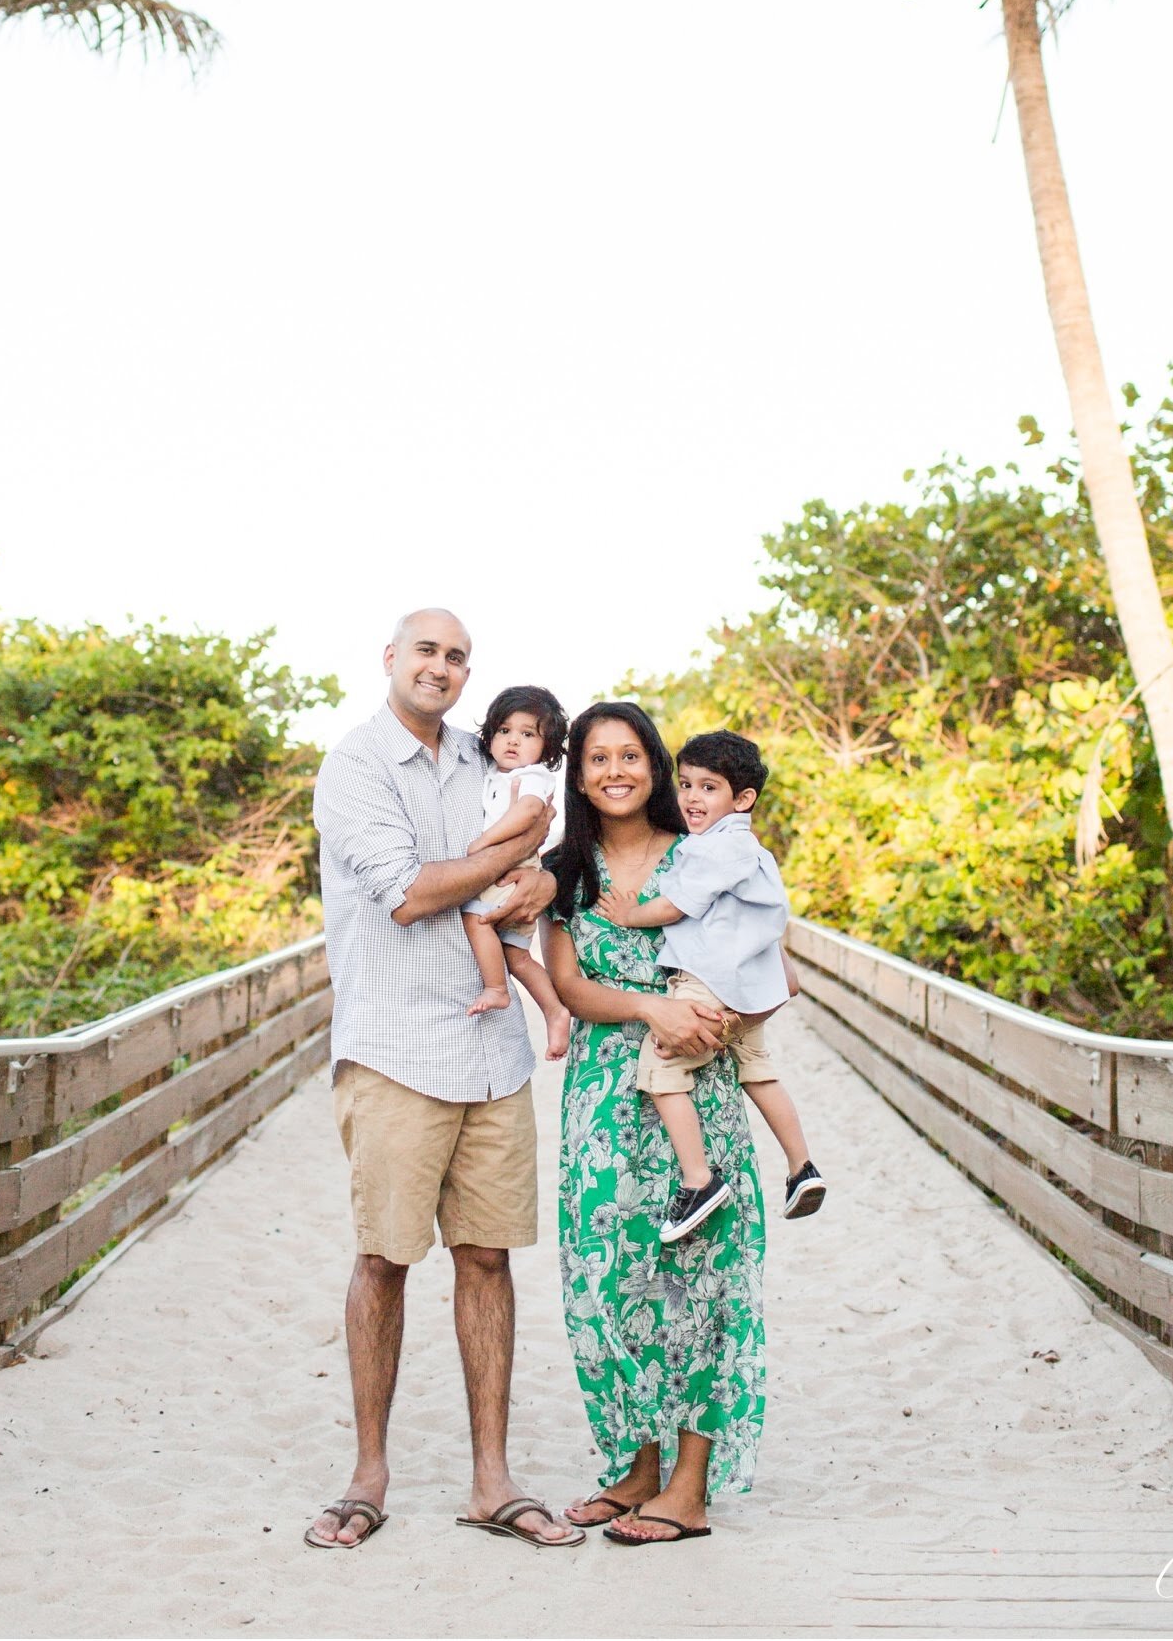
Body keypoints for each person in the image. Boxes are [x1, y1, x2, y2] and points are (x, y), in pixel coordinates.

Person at [304, 608, 584, 1555]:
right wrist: (517, 855)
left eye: (458, 656)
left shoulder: (488, 757)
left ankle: (490, 1479)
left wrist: (547, 880)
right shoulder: (355, 767)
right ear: (390, 659)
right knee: (384, 1259)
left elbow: (555, 841)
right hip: (392, 1048)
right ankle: (368, 1475)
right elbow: (413, 891)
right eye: (426, 650)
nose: (442, 667)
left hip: (493, 1051)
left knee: (488, 1257)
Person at [541, 702, 767, 1547]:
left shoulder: (705, 851)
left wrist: (709, 1018)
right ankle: (635, 1463)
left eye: (630, 753)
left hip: (696, 1090)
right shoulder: (569, 867)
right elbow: (567, 982)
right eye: (597, 757)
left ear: (658, 764)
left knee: (700, 1281)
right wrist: (646, 1007)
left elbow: (762, 950)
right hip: (602, 1098)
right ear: (579, 772)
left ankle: (689, 1486)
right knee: (604, 1284)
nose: (614, 770)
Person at [616, 729, 825, 1240]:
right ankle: (802, 1167)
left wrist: (630, 913)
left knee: (660, 1065)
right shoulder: (750, 850)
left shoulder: (717, 849)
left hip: (710, 981)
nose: (691, 797)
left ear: (742, 799)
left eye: (708, 788)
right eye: (685, 784)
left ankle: (699, 1180)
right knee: (756, 1068)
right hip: (750, 984)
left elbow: (677, 906)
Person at [464, 685, 573, 1058]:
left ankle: (496, 989)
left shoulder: (532, 775)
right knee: (518, 956)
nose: (513, 741)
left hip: (513, 868)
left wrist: (483, 843)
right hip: (516, 866)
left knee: (476, 919)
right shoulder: (494, 773)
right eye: (504, 730)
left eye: (527, 734)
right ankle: (555, 1011)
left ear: (548, 747)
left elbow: (528, 813)